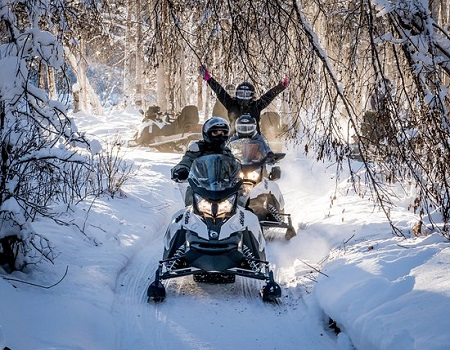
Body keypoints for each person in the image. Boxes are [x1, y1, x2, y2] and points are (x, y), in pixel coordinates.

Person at [199, 65, 289, 134]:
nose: (244, 97)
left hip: (254, 137)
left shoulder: (256, 105)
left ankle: (269, 156)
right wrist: (209, 79)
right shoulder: (231, 104)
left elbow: (268, 96)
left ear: (252, 95)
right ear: (237, 94)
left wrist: (280, 87)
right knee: (224, 147)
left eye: (247, 94)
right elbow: (220, 92)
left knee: (263, 145)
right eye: (241, 94)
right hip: (234, 137)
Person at [171, 116, 233, 182]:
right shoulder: (197, 149)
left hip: (226, 188)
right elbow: (186, 161)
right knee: (190, 191)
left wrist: (244, 169)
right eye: (215, 133)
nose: (220, 136)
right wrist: (182, 170)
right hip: (199, 188)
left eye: (223, 133)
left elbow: (237, 165)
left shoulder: (227, 152)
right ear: (207, 133)